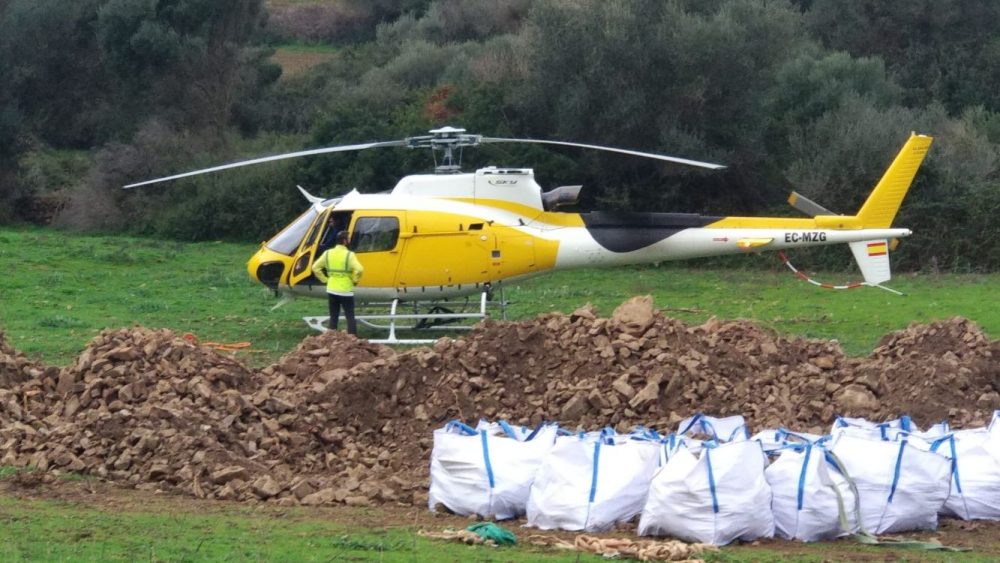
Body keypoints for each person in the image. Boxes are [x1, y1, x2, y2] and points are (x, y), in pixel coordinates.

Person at [312, 231, 364, 335]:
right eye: (348, 238)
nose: (349, 240)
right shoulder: (350, 255)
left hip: (332, 289)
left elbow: (315, 268)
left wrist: (325, 280)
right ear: (345, 241)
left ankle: (331, 340)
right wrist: (355, 280)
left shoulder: (327, 253)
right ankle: (353, 339)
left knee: (333, 317)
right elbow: (360, 269)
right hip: (345, 290)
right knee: (350, 317)